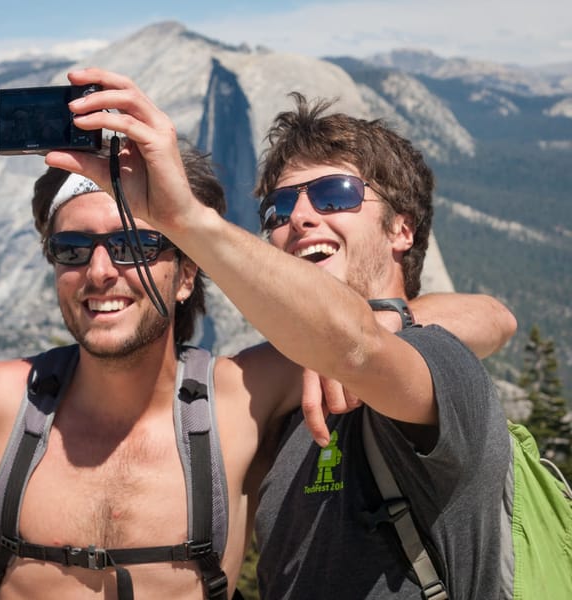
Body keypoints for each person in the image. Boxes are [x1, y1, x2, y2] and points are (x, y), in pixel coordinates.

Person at [0, 81, 514, 600]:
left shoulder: (245, 393)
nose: (100, 271)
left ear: (188, 275)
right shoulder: (1, 402)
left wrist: (389, 321)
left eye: (131, 244)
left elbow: (486, 318)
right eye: (72, 250)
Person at [44, 68, 518, 600]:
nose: (302, 219)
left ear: (401, 230)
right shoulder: (275, 384)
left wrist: (184, 222)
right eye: (280, 208)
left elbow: (395, 340)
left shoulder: (436, 361)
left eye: (335, 195)